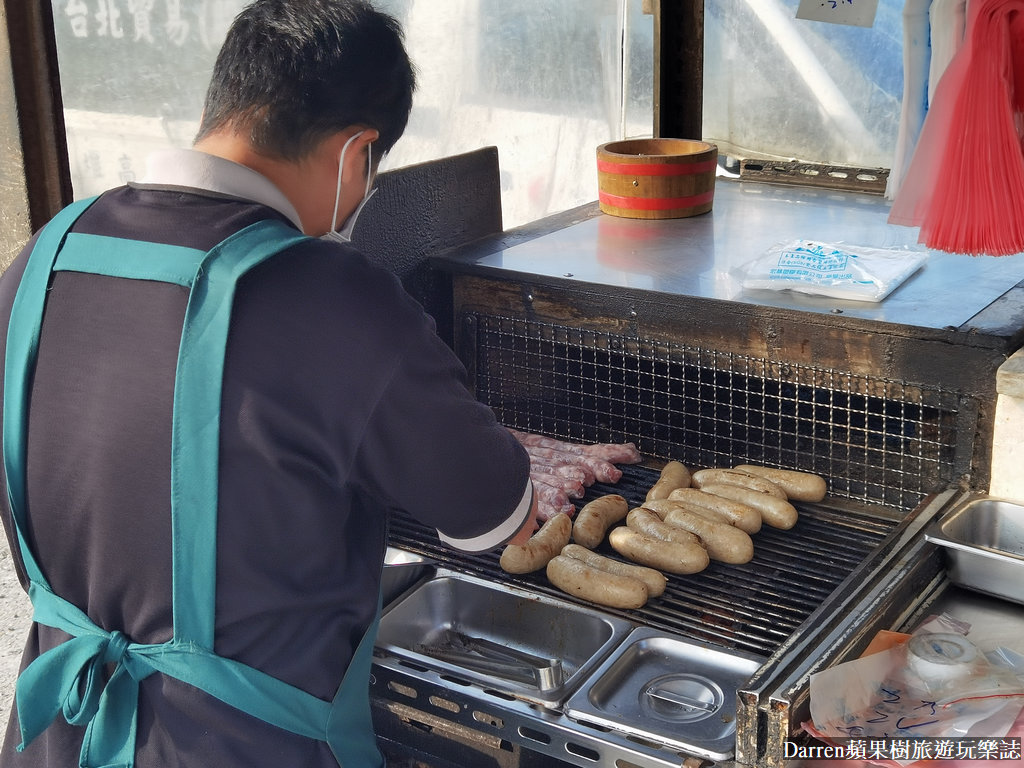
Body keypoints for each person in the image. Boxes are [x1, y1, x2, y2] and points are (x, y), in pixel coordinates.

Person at [0, 1, 536, 766]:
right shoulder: (333, 299)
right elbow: (494, 514)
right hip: (248, 746)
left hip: (61, 734)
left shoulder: (38, 261)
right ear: (357, 153)